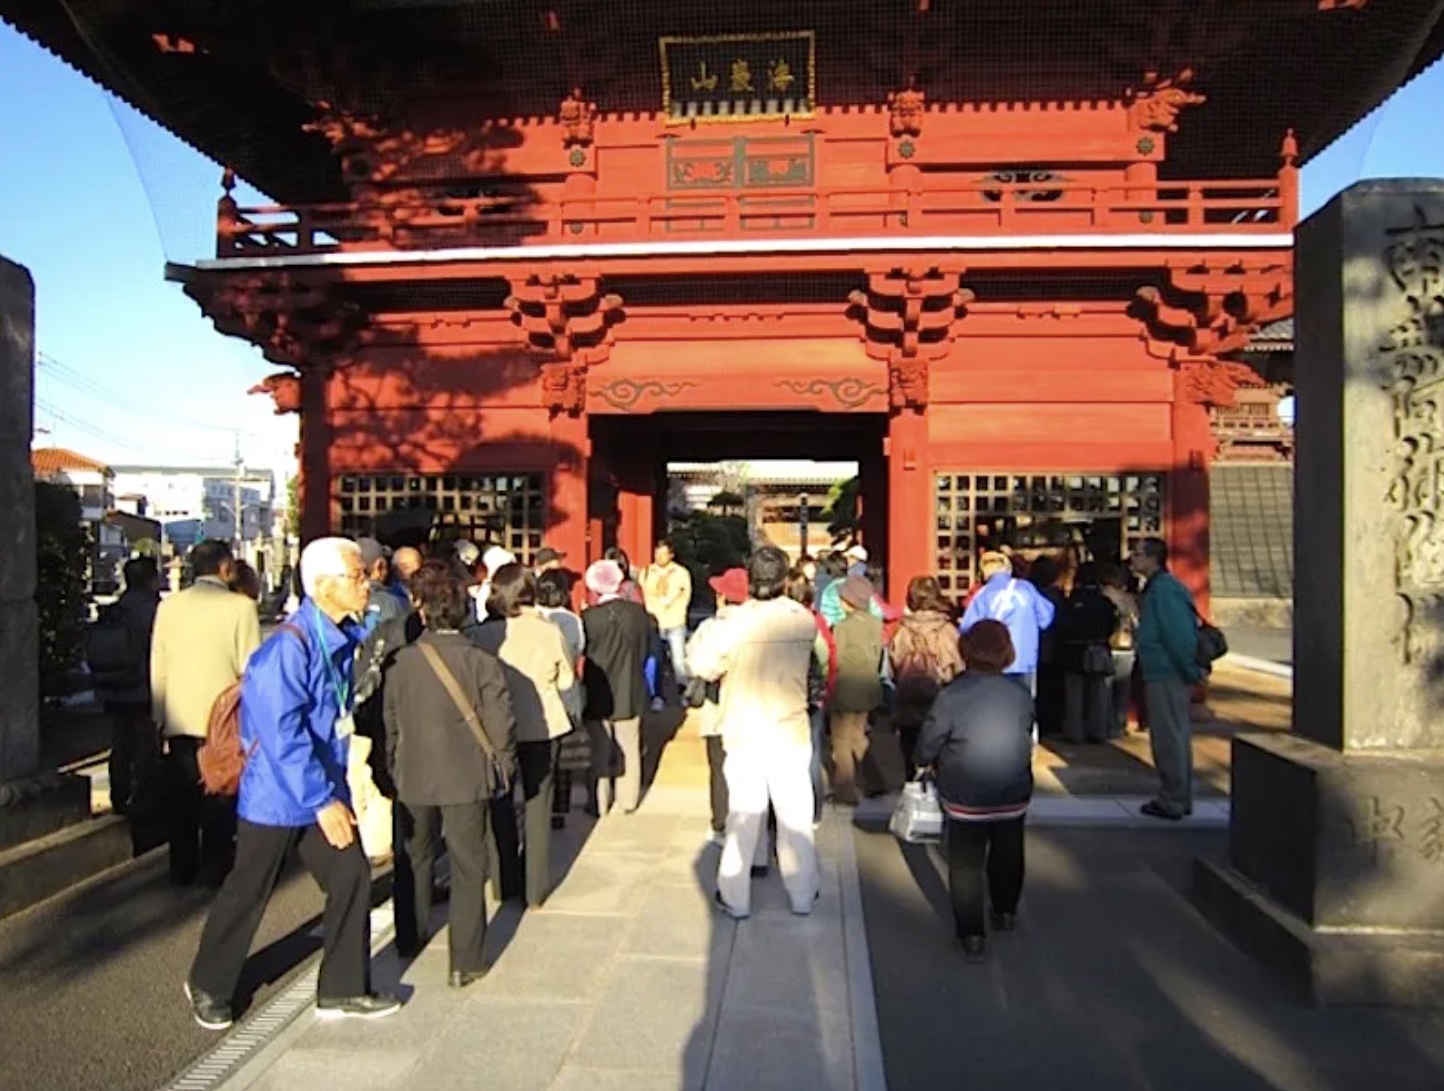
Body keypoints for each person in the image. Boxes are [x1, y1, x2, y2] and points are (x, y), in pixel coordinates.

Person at [185, 538, 401, 1030]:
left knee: (351, 875)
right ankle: (208, 981)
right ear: (323, 586)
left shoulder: (340, 636)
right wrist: (323, 799)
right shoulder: (289, 646)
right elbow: (282, 734)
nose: (366, 582)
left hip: (321, 787)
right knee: (249, 889)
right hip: (279, 795)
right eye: (356, 576)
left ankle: (343, 989)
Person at [384, 566, 516, 986]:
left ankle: (411, 932)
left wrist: (391, 768)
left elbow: (389, 723)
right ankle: (465, 959)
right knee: (467, 863)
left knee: (414, 855)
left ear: (423, 613)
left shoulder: (401, 662)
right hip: (466, 775)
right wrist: (504, 768)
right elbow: (502, 724)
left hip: (413, 772)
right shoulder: (481, 661)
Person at [688, 546, 820, 919]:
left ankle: (736, 896)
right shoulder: (802, 620)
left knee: (744, 815)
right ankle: (802, 893)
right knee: (795, 815)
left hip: (744, 726)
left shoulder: (734, 623)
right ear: (783, 578)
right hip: (790, 727)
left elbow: (703, 665)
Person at [916, 620, 1035, 960]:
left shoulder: (952, 695)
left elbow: (930, 741)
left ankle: (971, 934)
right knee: (1009, 851)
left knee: (966, 861)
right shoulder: (1019, 693)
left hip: (964, 791)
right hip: (1012, 787)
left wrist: (923, 760)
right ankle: (1005, 911)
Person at [152, 539, 261, 886]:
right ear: (225, 567)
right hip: (224, 718)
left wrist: (159, 715)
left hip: (178, 714)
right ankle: (215, 867)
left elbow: (159, 665)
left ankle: (181, 868)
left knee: (182, 795)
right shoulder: (241, 608)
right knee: (220, 792)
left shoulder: (169, 607)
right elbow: (251, 668)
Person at [468, 563, 578, 906]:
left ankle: (504, 881)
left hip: (495, 730)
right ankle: (535, 889)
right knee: (538, 805)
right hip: (543, 725)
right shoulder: (549, 632)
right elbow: (566, 681)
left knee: (499, 804)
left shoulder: (480, 634)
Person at [1130, 537, 1205, 820]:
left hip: (1167, 672)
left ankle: (1173, 798)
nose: (1133, 559)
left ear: (1152, 558)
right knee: (1171, 734)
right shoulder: (1156, 590)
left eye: (1137, 554)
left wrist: (1188, 670)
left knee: (1169, 737)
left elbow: (1179, 636)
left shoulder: (1164, 591)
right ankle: (1177, 795)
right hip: (1161, 669)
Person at [89, 556, 162, 815]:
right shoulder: (154, 610)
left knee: (120, 745)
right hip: (142, 688)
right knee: (145, 746)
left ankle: (119, 796)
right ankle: (145, 797)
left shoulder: (118, 608)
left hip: (114, 686)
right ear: (151, 579)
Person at [580, 560, 653, 815]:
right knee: (630, 746)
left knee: (599, 747)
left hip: (599, 688)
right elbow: (646, 649)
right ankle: (629, 799)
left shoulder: (588, 617)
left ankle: (598, 801)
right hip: (630, 685)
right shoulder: (639, 614)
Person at [685, 567, 750, 843]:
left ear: (722, 597)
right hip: (754, 708)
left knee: (720, 768)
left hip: (720, 708)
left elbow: (697, 665)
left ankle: (721, 822)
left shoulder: (712, 628)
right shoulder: (762, 626)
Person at [887, 575, 964, 780]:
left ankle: (913, 794)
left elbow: (892, 665)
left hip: (908, 702)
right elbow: (959, 666)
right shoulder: (947, 631)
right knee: (941, 758)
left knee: (910, 756)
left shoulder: (901, 631)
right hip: (941, 701)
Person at [959, 550, 1057, 701]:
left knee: (997, 704)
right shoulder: (1027, 589)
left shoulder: (983, 594)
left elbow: (967, 629)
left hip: (995, 660)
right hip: (1026, 660)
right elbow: (1046, 618)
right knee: (1025, 704)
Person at [828, 575, 885, 805]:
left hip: (845, 688)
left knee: (840, 740)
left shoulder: (841, 627)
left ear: (847, 601)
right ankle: (875, 780)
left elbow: (836, 659)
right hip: (869, 686)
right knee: (858, 736)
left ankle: (845, 791)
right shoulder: (876, 623)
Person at [1059, 562, 1121, 744]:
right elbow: (1111, 625)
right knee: (1099, 692)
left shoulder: (1069, 602)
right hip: (1099, 647)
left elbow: (1062, 626)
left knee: (1074, 694)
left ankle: (1074, 732)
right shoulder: (1104, 603)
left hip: (1073, 649)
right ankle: (1098, 731)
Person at [640, 538, 694, 705]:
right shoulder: (647, 571)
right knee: (656, 660)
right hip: (654, 622)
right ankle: (657, 695)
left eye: (663, 554)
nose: (660, 557)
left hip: (675, 621)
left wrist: (679, 610)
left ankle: (682, 692)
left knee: (678, 660)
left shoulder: (681, 573)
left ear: (671, 555)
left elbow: (687, 595)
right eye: (657, 553)